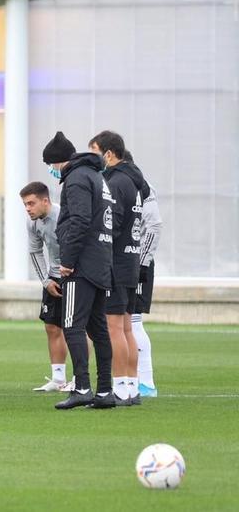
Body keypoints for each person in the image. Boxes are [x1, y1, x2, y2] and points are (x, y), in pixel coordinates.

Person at [42, 131, 115, 410]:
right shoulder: (97, 177)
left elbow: (80, 221)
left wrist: (68, 261)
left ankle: (82, 387)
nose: (51, 171)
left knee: (72, 325)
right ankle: (105, 391)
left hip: (81, 265)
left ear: (58, 162)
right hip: (100, 262)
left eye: (50, 164)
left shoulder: (76, 179)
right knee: (99, 329)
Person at [89, 130, 147, 406]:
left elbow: (113, 222)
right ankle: (132, 387)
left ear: (108, 154)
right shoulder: (134, 181)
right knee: (125, 327)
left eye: (95, 153)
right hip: (130, 260)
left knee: (114, 327)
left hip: (116, 262)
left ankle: (122, 387)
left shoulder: (115, 182)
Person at [19, 181, 72, 392]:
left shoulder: (63, 216)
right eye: (25, 204)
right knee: (51, 327)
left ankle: (79, 378)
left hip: (75, 276)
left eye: (31, 203)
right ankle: (58, 378)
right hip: (53, 277)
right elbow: (35, 252)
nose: (28, 209)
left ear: (45, 201)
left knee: (77, 328)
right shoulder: (32, 223)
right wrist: (46, 281)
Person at [126, 150, 163, 397]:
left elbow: (154, 225)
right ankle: (131, 379)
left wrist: (142, 263)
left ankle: (146, 382)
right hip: (123, 262)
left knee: (133, 322)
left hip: (137, 264)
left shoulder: (142, 186)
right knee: (124, 322)